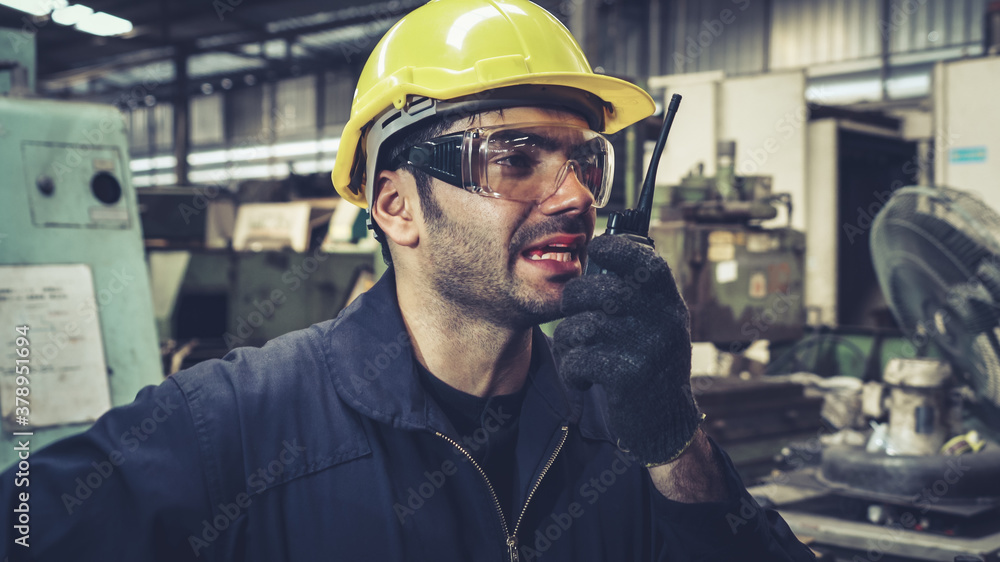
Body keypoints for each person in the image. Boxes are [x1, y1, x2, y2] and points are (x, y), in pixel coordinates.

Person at [2, 0, 815, 560]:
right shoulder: (234, 427)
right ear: (396, 205)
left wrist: (675, 441)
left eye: (585, 162)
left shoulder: (621, 432)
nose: (572, 196)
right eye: (517, 158)